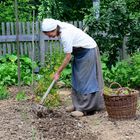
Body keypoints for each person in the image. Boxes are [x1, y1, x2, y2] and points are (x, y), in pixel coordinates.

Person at [41, 18, 104, 117]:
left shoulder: (65, 35)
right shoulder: (58, 26)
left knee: (85, 80)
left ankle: (84, 109)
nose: (49, 37)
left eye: (50, 34)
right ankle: (77, 105)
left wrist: (57, 72)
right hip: (79, 52)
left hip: (88, 51)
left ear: (55, 29)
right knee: (77, 79)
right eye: (47, 34)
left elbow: (68, 57)